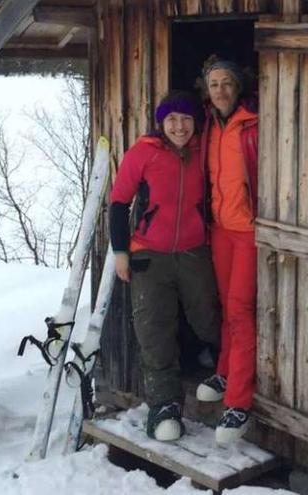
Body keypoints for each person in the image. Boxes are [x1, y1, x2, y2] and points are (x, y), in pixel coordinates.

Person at [109, 91, 221, 442]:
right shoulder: (143, 153)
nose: (179, 126)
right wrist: (121, 251)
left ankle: (224, 373)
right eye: (172, 119)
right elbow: (118, 202)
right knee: (154, 328)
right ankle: (164, 407)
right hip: (148, 254)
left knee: (208, 315)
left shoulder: (204, 151)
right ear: (161, 122)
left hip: (193, 250)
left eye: (186, 119)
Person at [194, 56, 260, 444]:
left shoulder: (252, 123)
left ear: (238, 87)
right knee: (224, 306)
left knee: (240, 309)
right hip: (219, 229)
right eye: (214, 83)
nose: (220, 90)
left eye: (227, 83)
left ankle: (239, 401)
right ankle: (224, 371)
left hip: (248, 230)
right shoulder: (207, 125)